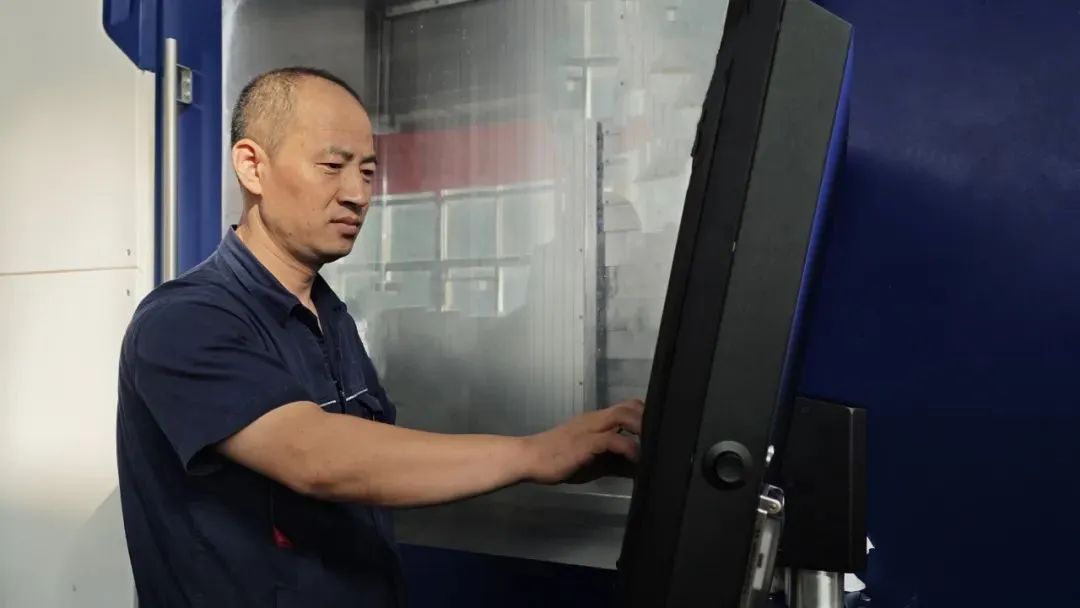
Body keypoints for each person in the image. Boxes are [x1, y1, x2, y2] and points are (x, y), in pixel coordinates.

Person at [115, 66, 644, 607]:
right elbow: (315, 455)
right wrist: (535, 455)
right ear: (253, 166)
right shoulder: (183, 321)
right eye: (332, 166)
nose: (357, 194)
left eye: (367, 172)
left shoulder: (330, 318)